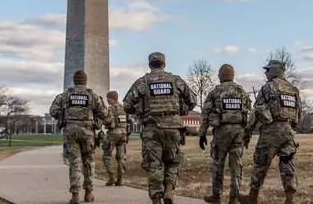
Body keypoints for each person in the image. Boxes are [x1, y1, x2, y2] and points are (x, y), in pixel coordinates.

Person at [122, 52, 197, 204]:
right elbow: (193, 100)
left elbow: (127, 105)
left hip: (152, 128)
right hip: (173, 128)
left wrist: (139, 110)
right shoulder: (176, 81)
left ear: (150, 65)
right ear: (164, 64)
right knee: (172, 161)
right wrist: (181, 108)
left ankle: (156, 198)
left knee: (154, 164)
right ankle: (169, 189)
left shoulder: (142, 82)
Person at [238, 60, 302, 204]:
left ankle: (252, 197)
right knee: (288, 164)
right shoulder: (293, 89)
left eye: (267, 70)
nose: (265, 73)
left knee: (260, 163)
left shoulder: (268, 87)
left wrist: (248, 131)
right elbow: (299, 113)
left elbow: (257, 110)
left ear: (274, 71)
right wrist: (292, 127)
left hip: (271, 131)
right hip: (288, 131)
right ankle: (289, 199)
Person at [49, 70, 108, 204]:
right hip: (87, 132)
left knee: (74, 163)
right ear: (85, 81)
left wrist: (63, 116)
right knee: (88, 162)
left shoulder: (64, 95)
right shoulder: (93, 95)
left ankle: (75, 194)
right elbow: (104, 113)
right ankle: (88, 193)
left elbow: (53, 111)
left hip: (70, 131)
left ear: (74, 81)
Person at [199, 64, 252, 204]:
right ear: (233, 75)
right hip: (239, 132)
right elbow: (249, 115)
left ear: (219, 76)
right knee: (236, 165)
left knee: (218, 164)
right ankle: (233, 198)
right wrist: (248, 135)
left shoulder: (215, 92)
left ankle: (216, 197)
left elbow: (205, 114)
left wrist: (202, 133)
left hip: (221, 132)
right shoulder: (242, 92)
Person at [101, 90, 129, 186]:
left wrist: (103, 119)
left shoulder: (111, 108)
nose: (107, 101)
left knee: (106, 155)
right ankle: (120, 179)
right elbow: (129, 120)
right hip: (123, 134)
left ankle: (111, 177)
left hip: (113, 133)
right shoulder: (123, 108)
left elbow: (108, 120)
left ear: (110, 98)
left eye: (108, 99)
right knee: (121, 157)